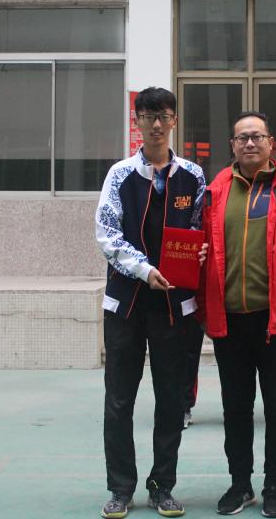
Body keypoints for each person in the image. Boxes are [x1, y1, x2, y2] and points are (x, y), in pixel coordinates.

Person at [196, 111, 276, 518]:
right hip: (229, 322)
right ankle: (240, 484)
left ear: (271, 142)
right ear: (232, 146)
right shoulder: (216, 190)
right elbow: (200, 246)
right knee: (235, 409)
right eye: (242, 138)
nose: (250, 143)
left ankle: (274, 484)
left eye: (257, 136)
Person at [95, 87, 206, 519]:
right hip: (126, 305)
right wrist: (144, 270)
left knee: (171, 400)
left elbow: (199, 230)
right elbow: (107, 235)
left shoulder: (193, 176)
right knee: (119, 400)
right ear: (137, 121)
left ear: (174, 120)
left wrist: (200, 251)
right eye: (148, 116)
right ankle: (120, 488)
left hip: (175, 307)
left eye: (164, 116)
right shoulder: (119, 175)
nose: (156, 124)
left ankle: (163, 487)